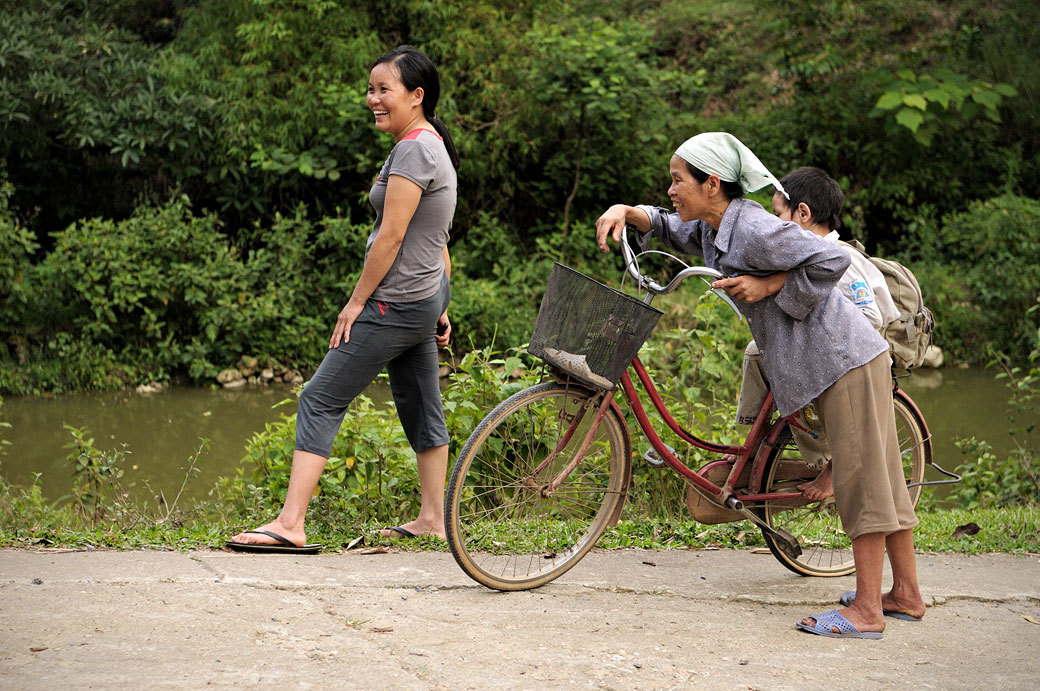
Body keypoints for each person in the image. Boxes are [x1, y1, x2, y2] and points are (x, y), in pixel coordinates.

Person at [595, 132, 925, 639]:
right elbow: (664, 224)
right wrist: (625, 210)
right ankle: (905, 594)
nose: (670, 190)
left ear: (711, 184)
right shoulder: (713, 226)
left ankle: (867, 611)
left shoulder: (752, 228)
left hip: (842, 359)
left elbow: (830, 259)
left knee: (862, 485)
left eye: (679, 180)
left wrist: (770, 285)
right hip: (835, 359)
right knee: (884, 477)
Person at [227, 45, 459, 552]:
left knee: (320, 397)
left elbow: (392, 237)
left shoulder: (416, 149)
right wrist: (440, 301)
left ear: (417, 96)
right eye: (371, 89)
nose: (373, 98)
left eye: (384, 90)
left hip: (394, 301)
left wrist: (356, 303)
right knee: (422, 402)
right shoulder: (429, 143)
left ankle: (290, 524)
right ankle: (433, 519)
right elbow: (439, 236)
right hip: (421, 298)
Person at [732, 166, 900, 501]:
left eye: (779, 214)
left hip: (851, 358)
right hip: (819, 350)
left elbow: (870, 317)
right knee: (757, 351)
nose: (773, 223)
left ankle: (830, 463)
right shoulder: (803, 253)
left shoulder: (842, 259)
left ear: (803, 213)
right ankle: (752, 440)